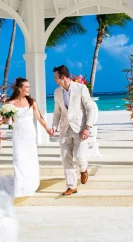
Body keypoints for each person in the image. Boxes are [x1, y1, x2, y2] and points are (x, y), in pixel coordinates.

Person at [0, 77, 52, 198]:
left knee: (30, 160)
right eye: (27, 87)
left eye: (29, 87)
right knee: (19, 160)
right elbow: (6, 121)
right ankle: (20, 186)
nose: (29, 89)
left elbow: (40, 117)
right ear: (20, 88)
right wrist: (7, 118)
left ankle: (30, 184)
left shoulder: (31, 102)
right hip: (18, 135)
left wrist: (47, 128)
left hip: (30, 134)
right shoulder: (10, 103)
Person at [51, 65, 96, 196]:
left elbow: (91, 108)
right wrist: (54, 126)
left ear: (63, 77)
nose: (54, 80)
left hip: (80, 129)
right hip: (65, 129)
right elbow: (57, 113)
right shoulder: (57, 92)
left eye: (56, 77)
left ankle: (84, 168)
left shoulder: (81, 88)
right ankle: (71, 186)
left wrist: (88, 127)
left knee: (79, 156)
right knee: (66, 158)